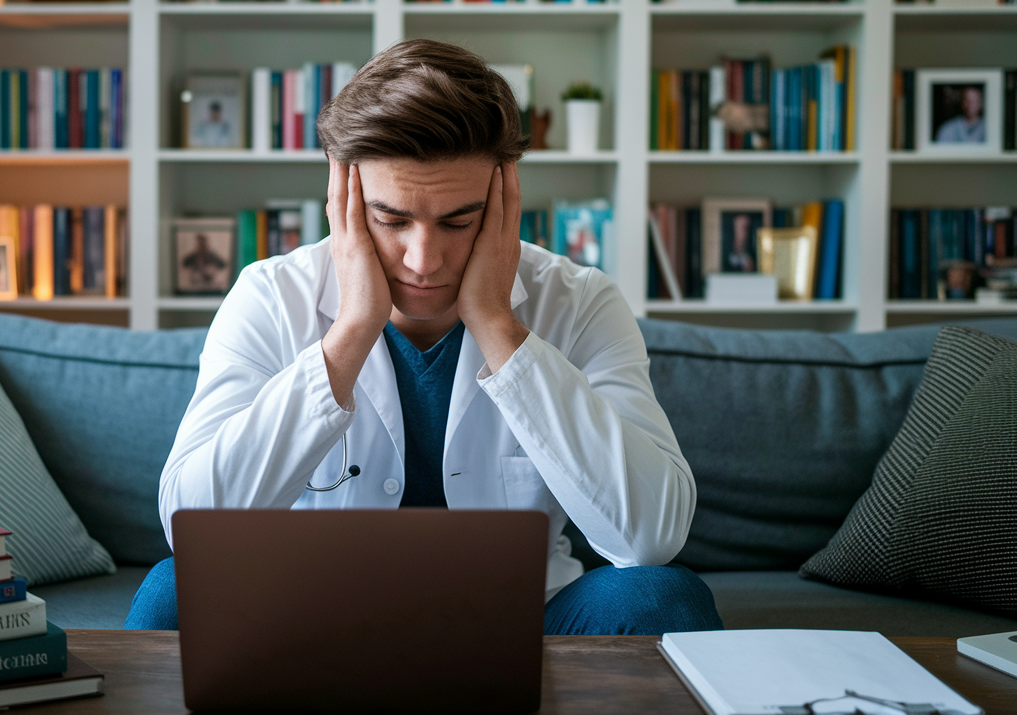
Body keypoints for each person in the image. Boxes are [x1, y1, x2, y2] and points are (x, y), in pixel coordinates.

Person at [126, 39, 722, 635]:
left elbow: (651, 536)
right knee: (174, 590)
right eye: (391, 220)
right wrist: (353, 329)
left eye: (459, 221)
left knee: (661, 598)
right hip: (312, 619)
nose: (424, 260)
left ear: (504, 198)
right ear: (343, 197)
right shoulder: (270, 296)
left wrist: (498, 326)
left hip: (521, 621)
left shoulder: (581, 301)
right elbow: (192, 525)